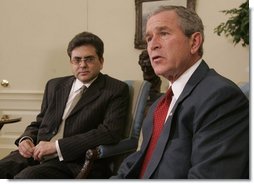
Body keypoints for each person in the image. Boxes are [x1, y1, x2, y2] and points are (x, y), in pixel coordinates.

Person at [111, 6, 249, 179]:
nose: (152, 45)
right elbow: (141, 159)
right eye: (149, 38)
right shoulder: (158, 106)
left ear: (194, 42)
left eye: (163, 33)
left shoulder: (221, 97)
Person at [0, 31, 129, 179]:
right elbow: (40, 123)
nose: (82, 65)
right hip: (36, 153)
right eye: (77, 60)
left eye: (89, 59)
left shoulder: (115, 89)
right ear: (71, 62)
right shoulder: (54, 85)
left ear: (101, 61)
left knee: (24, 179)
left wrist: (56, 146)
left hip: (73, 161)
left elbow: (109, 132)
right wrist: (26, 139)